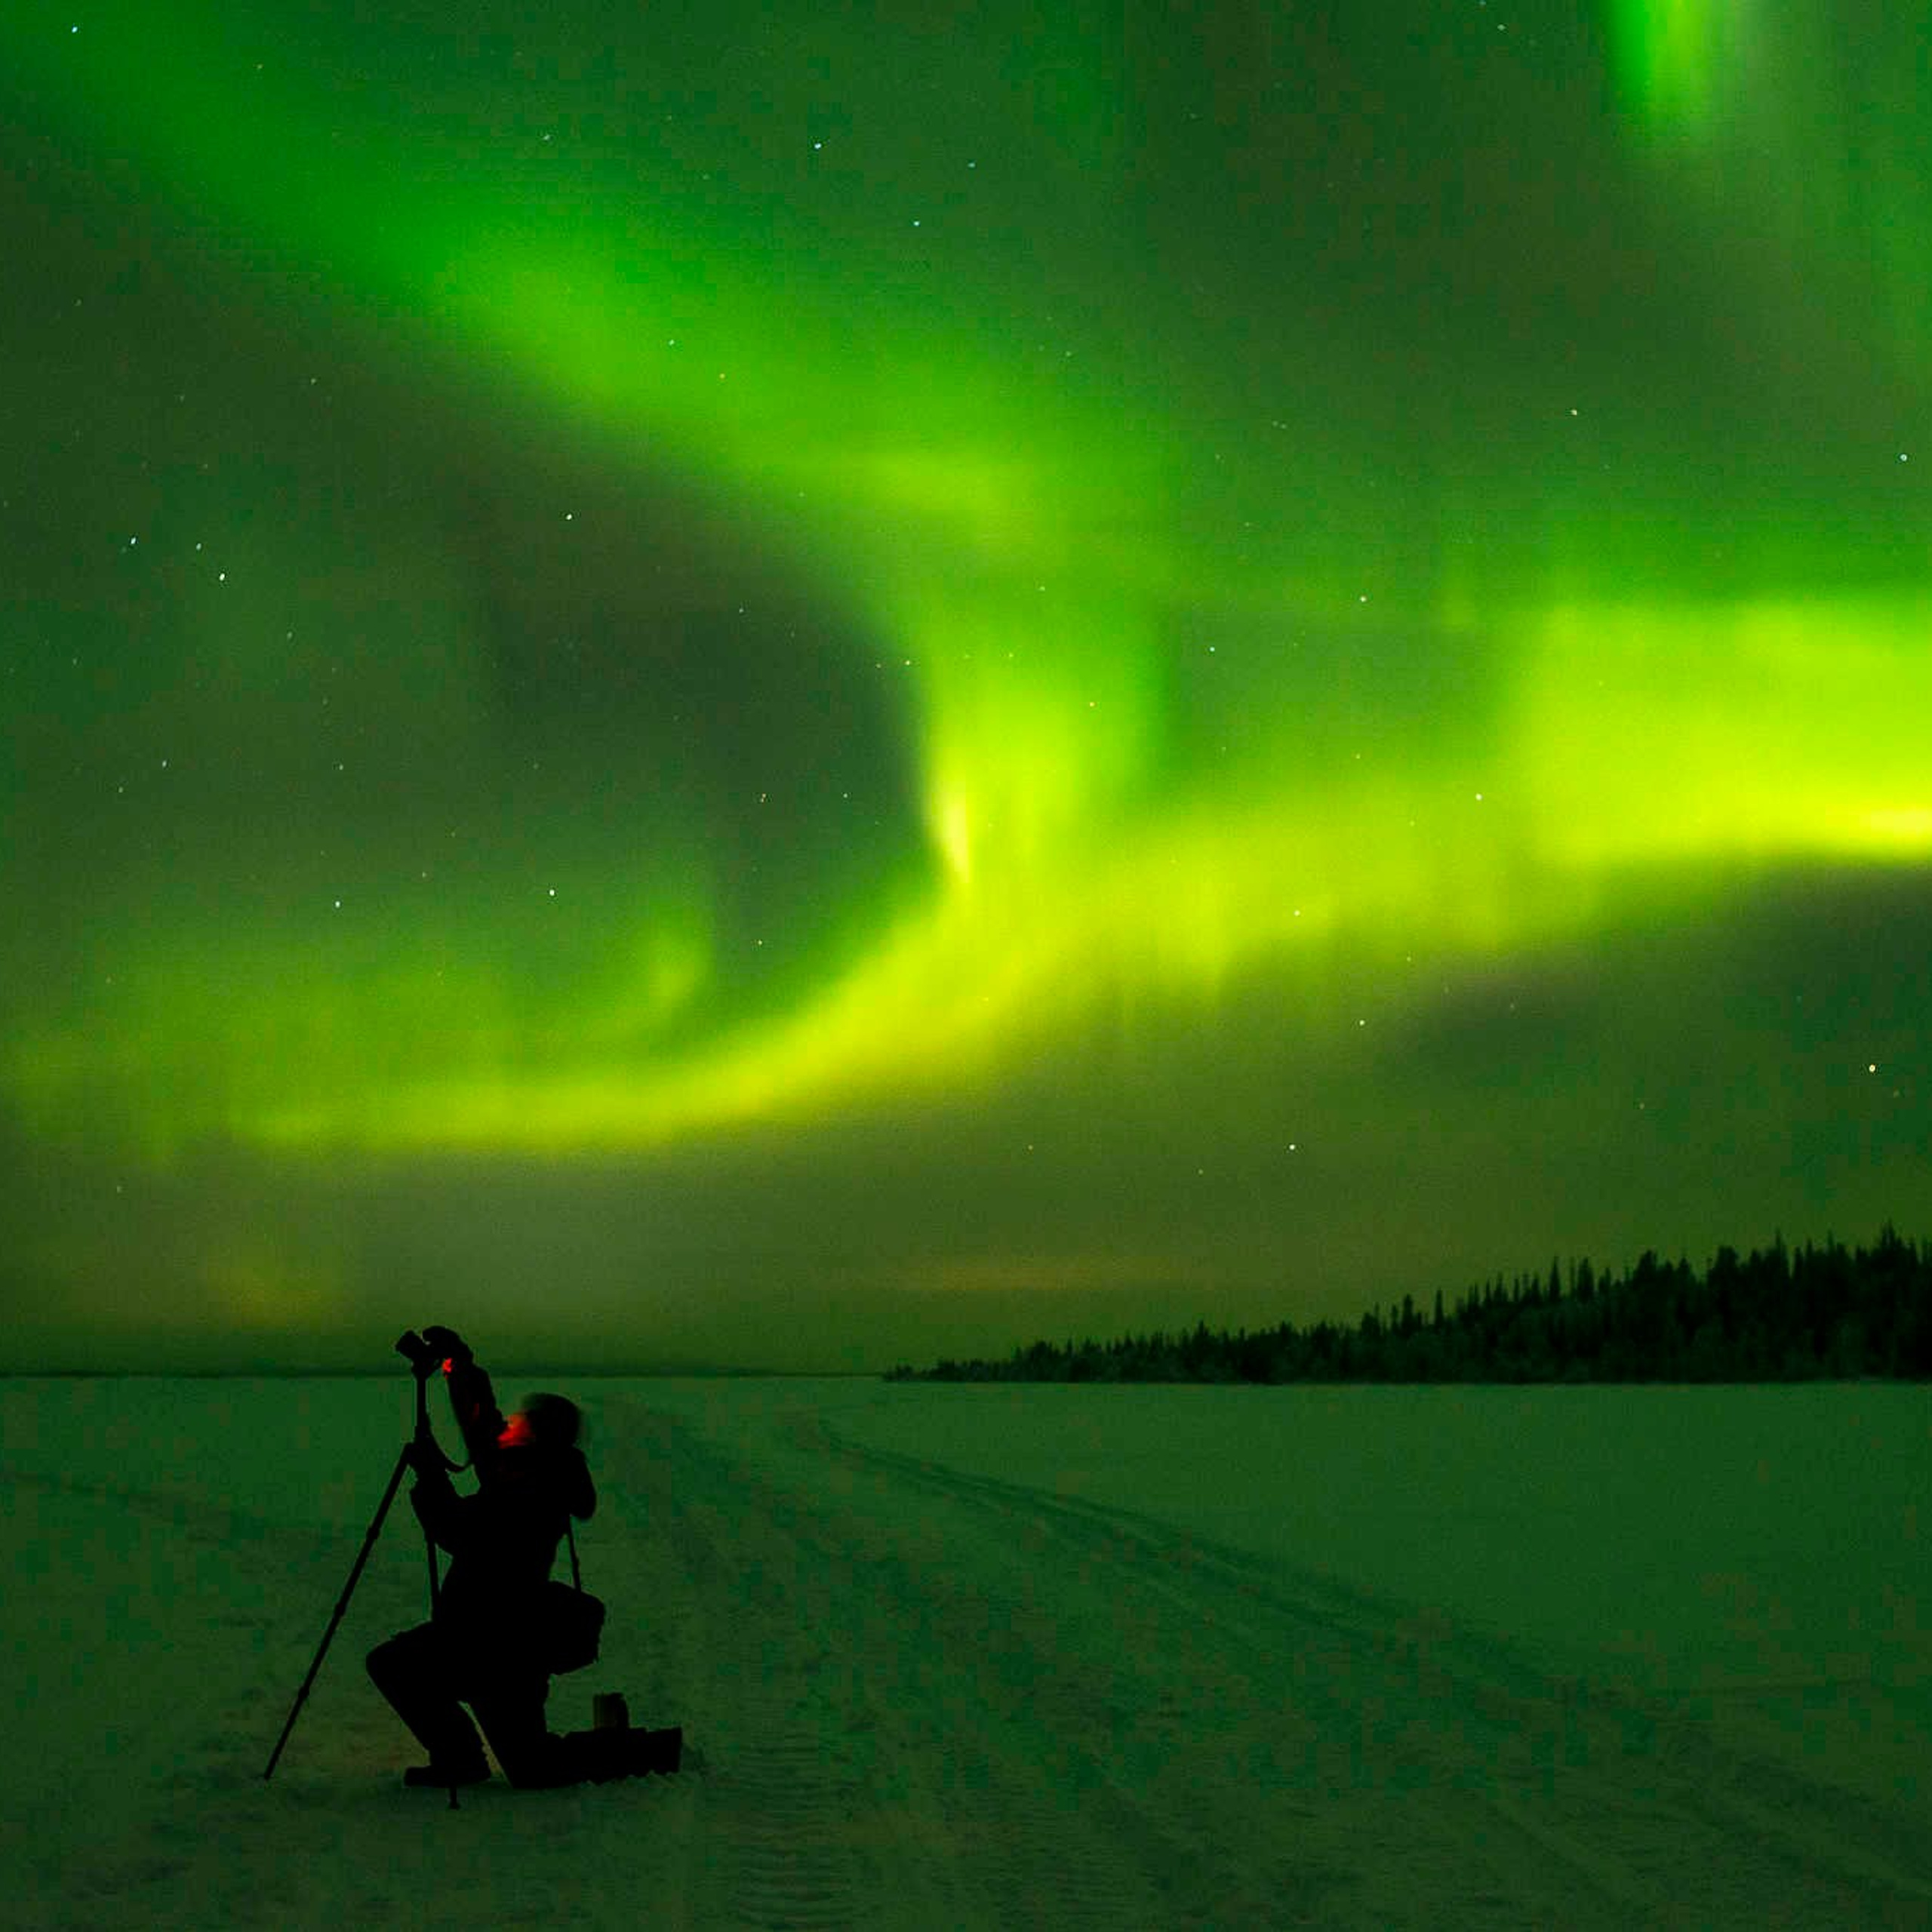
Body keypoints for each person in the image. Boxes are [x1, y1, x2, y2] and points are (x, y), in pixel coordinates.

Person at [365, 1324, 680, 1789]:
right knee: (532, 1764)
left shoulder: (533, 1490)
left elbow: (457, 1531)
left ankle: (651, 1751)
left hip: (501, 1646)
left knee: (533, 1767)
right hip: (490, 1639)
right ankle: (461, 1760)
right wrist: (459, 1366)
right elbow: (480, 1423)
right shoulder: (526, 1467)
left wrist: (432, 1478)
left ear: (539, 1437)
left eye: (522, 1422)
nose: (510, 1425)